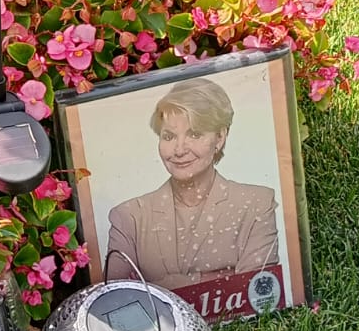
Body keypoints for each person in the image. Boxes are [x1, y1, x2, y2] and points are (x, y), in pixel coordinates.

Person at [107, 77, 279, 287]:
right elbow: (117, 297)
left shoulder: (257, 204)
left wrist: (157, 285)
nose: (179, 150)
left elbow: (257, 289)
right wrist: (218, 277)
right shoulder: (129, 217)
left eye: (194, 134)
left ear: (220, 137)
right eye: (169, 137)